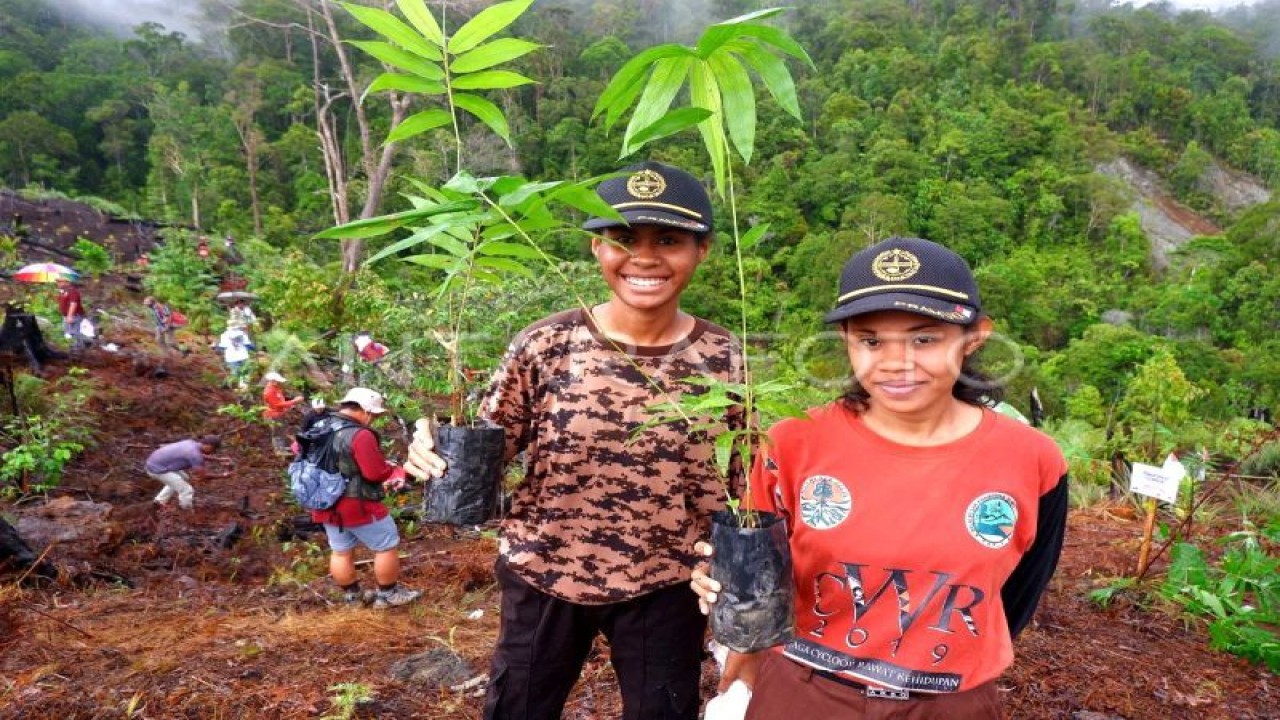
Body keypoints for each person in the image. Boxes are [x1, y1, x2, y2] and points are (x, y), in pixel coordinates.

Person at [406, 160, 742, 720]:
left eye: (669, 240)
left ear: (700, 251)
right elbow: (489, 441)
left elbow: (743, 486)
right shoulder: (546, 344)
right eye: (623, 238)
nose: (645, 257)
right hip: (546, 570)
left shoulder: (727, 359)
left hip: (668, 581)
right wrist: (427, 444)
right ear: (596, 248)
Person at [691, 237, 1069, 719]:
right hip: (806, 693)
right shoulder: (793, 442)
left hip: (949, 704)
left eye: (924, 338)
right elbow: (758, 572)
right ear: (846, 340)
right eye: (870, 340)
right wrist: (721, 591)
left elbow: (1020, 592)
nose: (895, 362)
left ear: (974, 337)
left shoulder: (1033, 459)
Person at [301, 387, 421, 609]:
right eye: (374, 415)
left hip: (325, 503)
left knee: (340, 550)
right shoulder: (360, 434)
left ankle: (353, 598)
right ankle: (388, 594)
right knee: (386, 545)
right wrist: (392, 470)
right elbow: (373, 473)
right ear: (365, 410)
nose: (373, 420)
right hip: (357, 502)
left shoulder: (319, 426)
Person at [144, 435, 228, 510]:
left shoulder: (191, 443)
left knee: (184, 478)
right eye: (214, 449)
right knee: (186, 490)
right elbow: (204, 476)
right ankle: (185, 512)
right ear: (209, 446)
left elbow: (199, 456)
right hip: (156, 470)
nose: (214, 452)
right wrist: (225, 475)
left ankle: (159, 501)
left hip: (155, 463)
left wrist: (219, 460)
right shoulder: (194, 454)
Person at [262, 372, 304, 454]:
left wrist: (288, 405)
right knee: (277, 432)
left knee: (282, 430)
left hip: (279, 413)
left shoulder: (276, 388)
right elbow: (277, 404)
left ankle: (283, 447)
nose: (279, 383)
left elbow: (280, 400)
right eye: (277, 381)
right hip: (273, 414)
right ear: (273, 381)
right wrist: (294, 401)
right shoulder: (269, 391)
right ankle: (279, 450)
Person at [213, 325, 255, 389]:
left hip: (232, 358)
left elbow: (222, 347)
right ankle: (243, 388)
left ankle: (238, 388)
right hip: (242, 356)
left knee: (236, 373)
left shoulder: (224, 335)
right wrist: (253, 347)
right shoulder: (242, 334)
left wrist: (216, 346)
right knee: (244, 373)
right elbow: (248, 345)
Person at [55, 278, 87, 350]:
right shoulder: (63, 292)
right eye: (57, 281)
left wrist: (70, 316)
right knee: (67, 331)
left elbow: (73, 304)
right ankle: (74, 347)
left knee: (73, 332)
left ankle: (77, 348)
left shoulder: (72, 291)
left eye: (60, 281)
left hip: (74, 315)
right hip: (66, 315)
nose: (58, 283)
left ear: (67, 282)